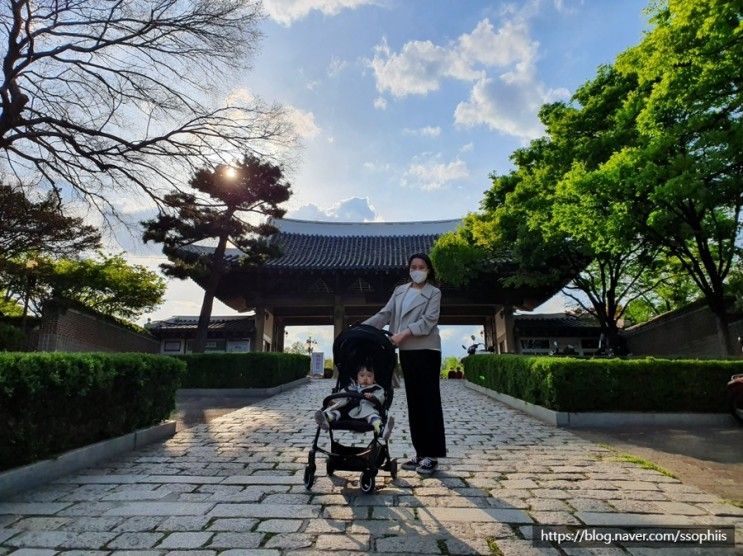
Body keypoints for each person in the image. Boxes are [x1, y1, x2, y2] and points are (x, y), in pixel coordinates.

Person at [363, 252, 446, 475]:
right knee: (415, 403)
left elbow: (429, 321)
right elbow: (385, 314)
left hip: (427, 349)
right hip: (408, 352)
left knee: (429, 402)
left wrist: (402, 335)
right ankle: (420, 452)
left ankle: (432, 455)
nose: (417, 270)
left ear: (428, 270)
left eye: (421, 266)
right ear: (409, 269)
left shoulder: (433, 292)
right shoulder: (400, 291)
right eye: (413, 266)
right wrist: (362, 328)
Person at [314, 364, 395, 439]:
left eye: (369, 376)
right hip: (347, 410)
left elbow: (381, 397)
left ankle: (382, 430)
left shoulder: (377, 388)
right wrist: (334, 401)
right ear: (357, 377)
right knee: (337, 411)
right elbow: (341, 395)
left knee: (373, 416)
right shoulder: (351, 387)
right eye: (362, 375)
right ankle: (325, 418)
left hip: (366, 410)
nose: (365, 378)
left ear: (374, 379)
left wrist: (373, 397)